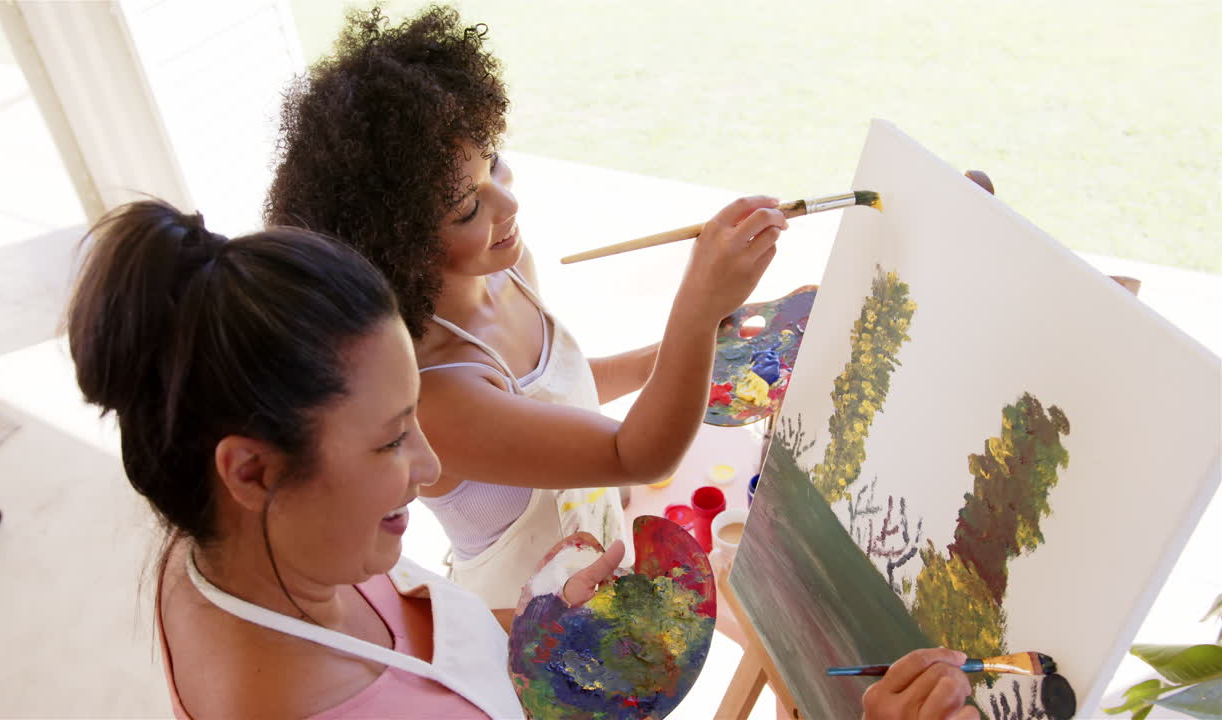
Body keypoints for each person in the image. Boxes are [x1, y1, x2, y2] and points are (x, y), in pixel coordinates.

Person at [68, 199, 976, 720]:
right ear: (251, 471)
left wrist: (528, 634)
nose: (431, 466)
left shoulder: (228, 553)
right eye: (391, 440)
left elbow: (404, 645)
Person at [265, 5, 790, 621]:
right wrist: (695, 312)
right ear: (397, 241)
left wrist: (678, 351)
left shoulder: (506, 267)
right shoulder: (435, 390)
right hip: (522, 629)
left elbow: (558, 392)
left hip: (588, 576)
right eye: (468, 208)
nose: (506, 203)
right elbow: (637, 455)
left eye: (493, 161)